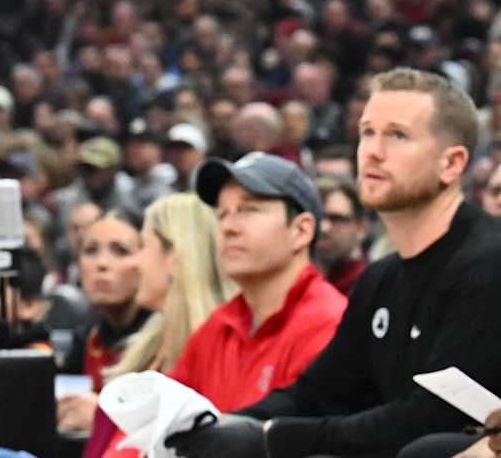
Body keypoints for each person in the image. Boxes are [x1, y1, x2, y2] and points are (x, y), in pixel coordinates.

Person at [171, 70, 501, 458]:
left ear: (452, 164)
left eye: (397, 135)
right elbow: (318, 394)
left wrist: (269, 437)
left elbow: (434, 419)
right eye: (367, 133)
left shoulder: (488, 264)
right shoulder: (380, 278)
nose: (373, 152)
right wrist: (227, 427)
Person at [170, 154, 345, 413]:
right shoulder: (218, 326)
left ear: (301, 231)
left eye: (248, 210)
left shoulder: (329, 325)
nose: (228, 227)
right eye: (221, 214)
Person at [85, 194, 232, 458]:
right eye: (90, 250)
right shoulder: (146, 345)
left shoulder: (216, 351)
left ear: (175, 258)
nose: (136, 263)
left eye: (141, 246)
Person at [57, 208, 151, 437]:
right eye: (90, 250)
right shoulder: (88, 335)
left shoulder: (167, 336)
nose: (101, 264)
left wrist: (103, 414)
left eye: (120, 251)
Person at [311, 174, 369, 294]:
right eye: (318, 217)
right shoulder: (296, 284)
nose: (324, 228)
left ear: (361, 228)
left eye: (336, 219)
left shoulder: (371, 286)